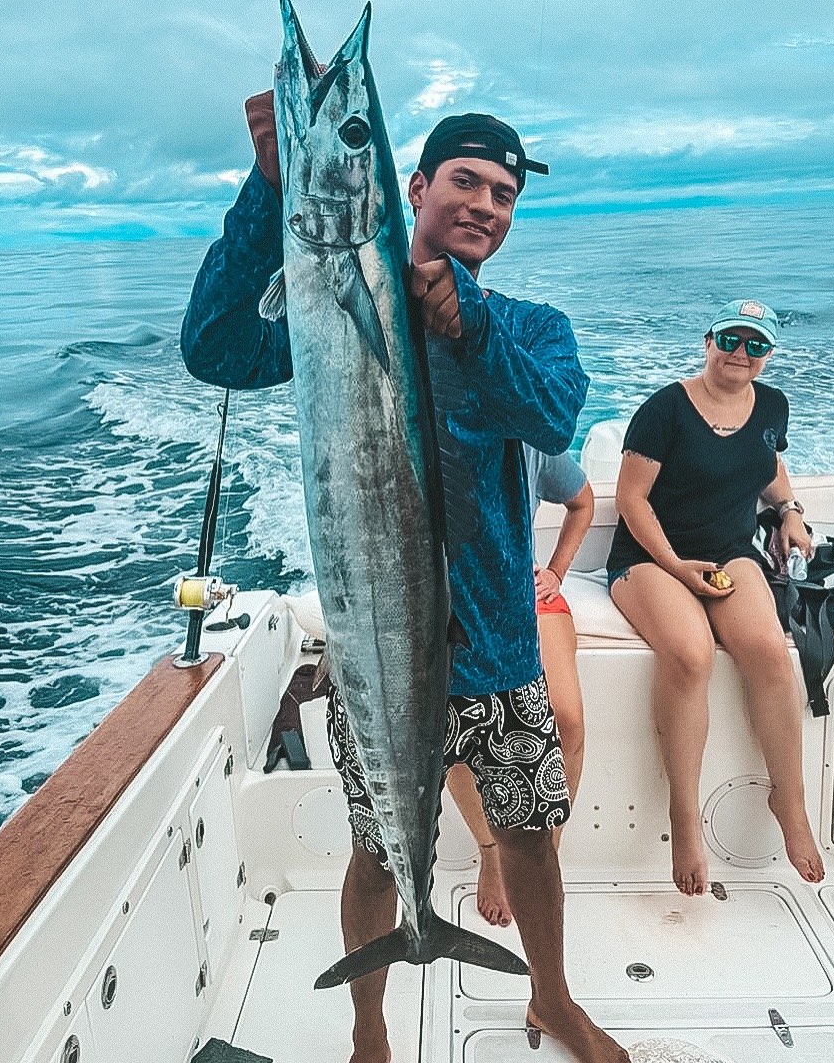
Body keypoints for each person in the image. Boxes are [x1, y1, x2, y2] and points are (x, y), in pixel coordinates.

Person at [182, 97, 627, 1063]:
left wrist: (469, 327)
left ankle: (552, 999)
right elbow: (213, 347)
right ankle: (369, 1026)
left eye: (505, 194)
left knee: (531, 842)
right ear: (413, 189)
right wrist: (267, 190)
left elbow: (552, 416)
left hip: (500, 651)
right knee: (379, 852)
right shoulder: (330, 314)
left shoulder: (530, 326)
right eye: (465, 181)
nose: (486, 205)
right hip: (375, 653)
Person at [606, 299, 825, 898]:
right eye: (731, 338)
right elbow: (630, 500)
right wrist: (677, 567)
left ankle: (791, 800)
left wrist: (789, 511)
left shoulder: (772, 404)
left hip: (731, 553)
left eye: (755, 345)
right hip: (651, 558)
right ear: (708, 341)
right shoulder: (664, 411)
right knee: (692, 654)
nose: (740, 353)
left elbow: (769, 463)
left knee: (769, 653)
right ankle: (685, 816)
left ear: (768, 355)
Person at [445, 449, 594, 927]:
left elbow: (583, 501)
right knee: (456, 730)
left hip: (523, 595)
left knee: (566, 719)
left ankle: (544, 854)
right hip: (448, 602)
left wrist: (555, 571)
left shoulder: (529, 431)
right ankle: (491, 849)